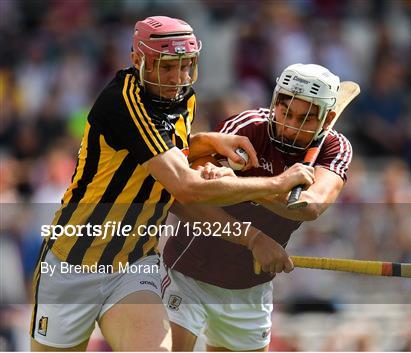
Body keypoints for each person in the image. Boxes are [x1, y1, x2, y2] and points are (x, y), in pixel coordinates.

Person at [30, 16, 314, 351]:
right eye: (166, 67)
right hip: (72, 263)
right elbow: (184, 185)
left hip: (133, 264)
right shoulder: (124, 103)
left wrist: (206, 143)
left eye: (185, 66)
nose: (177, 78)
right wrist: (277, 183)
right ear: (139, 61)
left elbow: (168, 170)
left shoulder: (183, 101)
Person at [162, 63, 353, 351]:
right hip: (188, 274)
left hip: (249, 287)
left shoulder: (335, 149)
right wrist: (253, 237)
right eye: (285, 111)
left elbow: (310, 206)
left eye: (306, 119)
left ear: (327, 120)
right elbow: (184, 199)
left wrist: (251, 185)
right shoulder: (248, 127)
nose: (290, 125)